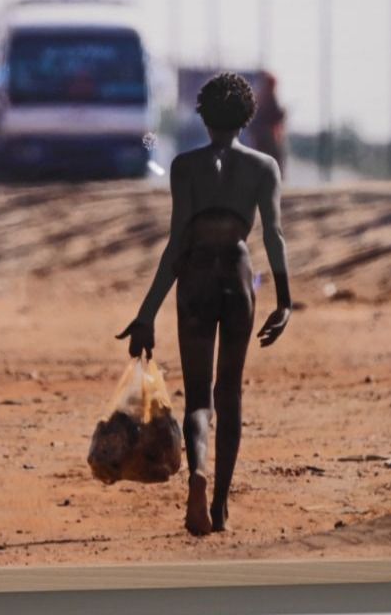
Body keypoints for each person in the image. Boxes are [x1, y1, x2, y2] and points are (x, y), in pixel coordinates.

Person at [117, 72, 292, 536]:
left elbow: (177, 245)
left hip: (194, 278)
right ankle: (220, 508)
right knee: (228, 394)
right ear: (248, 117)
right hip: (237, 277)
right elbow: (273, 236)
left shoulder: (184, 167)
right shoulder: (263, 167)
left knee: (198, 396)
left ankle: (198, 470)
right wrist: (285, 300)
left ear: (203, 114)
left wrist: (147, 313)